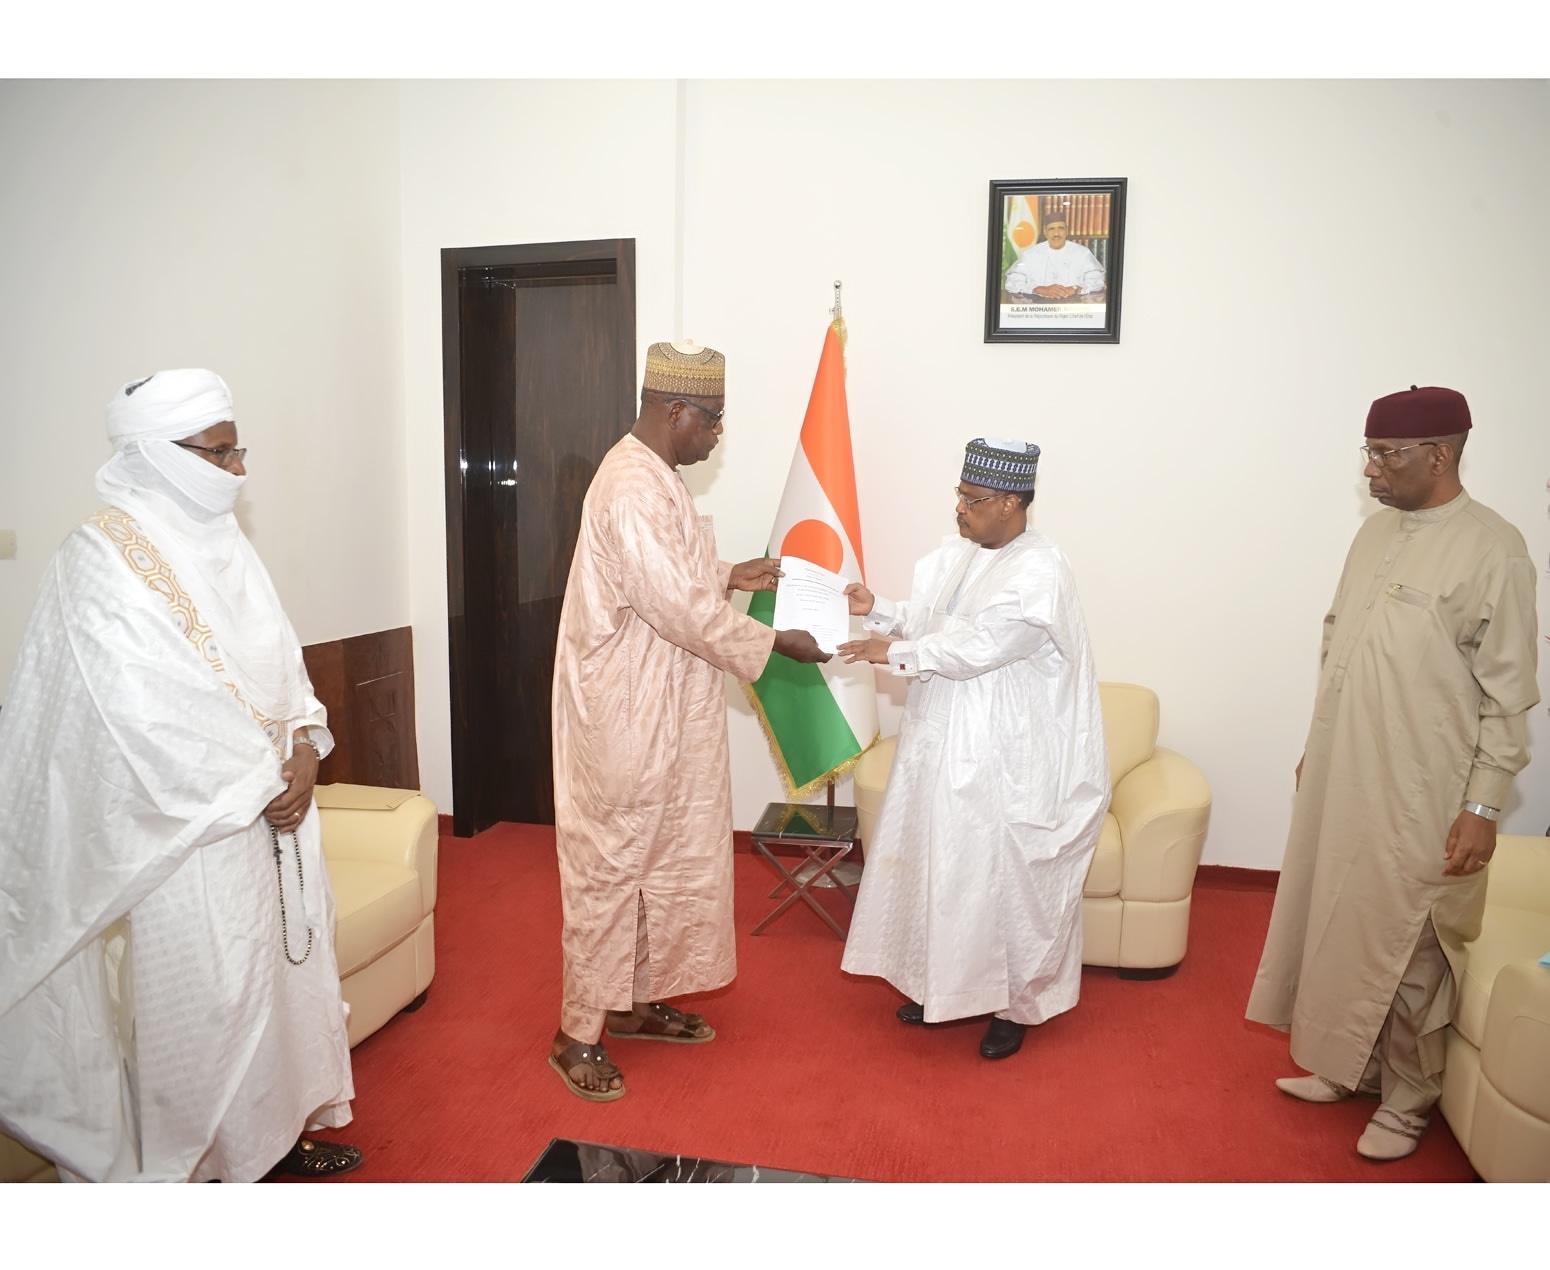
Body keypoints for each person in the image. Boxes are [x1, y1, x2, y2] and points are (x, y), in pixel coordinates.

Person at [0, 369, 361, 1181]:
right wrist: (262, 778)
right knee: (212, 1011)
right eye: (220, 452)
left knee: (289, 989)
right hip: (189, 837)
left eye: (238, 450)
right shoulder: (99, 561)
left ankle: (281, 1139)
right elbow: (139, 713)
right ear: (158, 456)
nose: (238, 471)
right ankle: (200, 1173)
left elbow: (283, 668)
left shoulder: (229, 545)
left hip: (280, 811)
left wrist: (305, 747)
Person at [1246, 385, 1539, 1162]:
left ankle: (1408, 1100)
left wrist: (1481, 806)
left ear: (1438, 456)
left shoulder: (1494, 548)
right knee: (1340, 921)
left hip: (1426, 788)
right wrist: (1320, 743)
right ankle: (1355, 1068)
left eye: (1385, 455)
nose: (1371, 471)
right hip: (1350, 769)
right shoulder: (1375, 534)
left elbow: (1510, 698)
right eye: (1369, 454)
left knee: (1412, 943)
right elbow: (1339, 641)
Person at [548, 341, 830, 1101]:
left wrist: (726, 574)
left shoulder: (655, 476)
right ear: (675, 412)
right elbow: (671, 603)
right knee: (613, 866)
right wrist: (775, 644)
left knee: (665, 854)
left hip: (662, 702)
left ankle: (634, 1002)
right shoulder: (631, 487)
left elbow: (666, 578)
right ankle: (577, 1033)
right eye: (712, 422)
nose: (716, 437)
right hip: (622, 714)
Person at [836, 438, 1109, 1059]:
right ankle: (942, 984)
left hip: (1008, 758)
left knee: (1001, 881)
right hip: (944, 743)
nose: (960, 509)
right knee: (942, 866)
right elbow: (935, 620)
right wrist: (877, 610)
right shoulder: (960, 554)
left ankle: (1014, 1006)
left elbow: (982, 646)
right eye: (959, 496)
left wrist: (897, 653)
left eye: (974, 499)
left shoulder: (1040, 571)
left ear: (1012, 502)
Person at [1004, 217, 1106, 300]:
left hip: (1074, 306)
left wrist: (1076, 289)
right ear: (1045, 232)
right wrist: (1038, 289)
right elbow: (1012, 282)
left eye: (1060, 228)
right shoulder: (1030, 254)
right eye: (1051, 229)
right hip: (1037, 307)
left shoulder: (1083, 253)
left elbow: (1097, 280)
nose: (1056, 233)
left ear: (1067, 230)